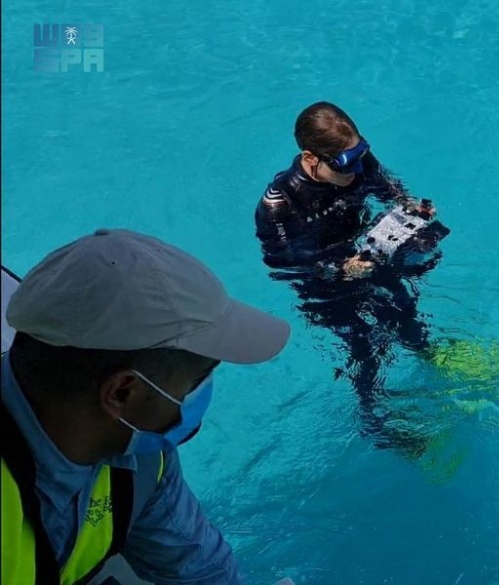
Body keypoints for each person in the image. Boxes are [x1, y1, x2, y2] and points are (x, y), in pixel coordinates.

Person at [1, 228, 295, 585]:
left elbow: (200, 568)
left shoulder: (141, 457)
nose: (203, 391)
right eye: (199, 377)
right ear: (123, 392)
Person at [254, 102, 446, 454]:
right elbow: (281, 262)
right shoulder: (280, 204)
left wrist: (410, 206)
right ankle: (375, 417)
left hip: (366, 252)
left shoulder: (359, 162)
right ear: (310, 158)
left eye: (361, 155)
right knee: (364, 345)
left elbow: (388, 188)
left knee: (404, 305)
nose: (358, 170)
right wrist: (339, 269)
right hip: (320, 282)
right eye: (346, 164)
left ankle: (431, 356)